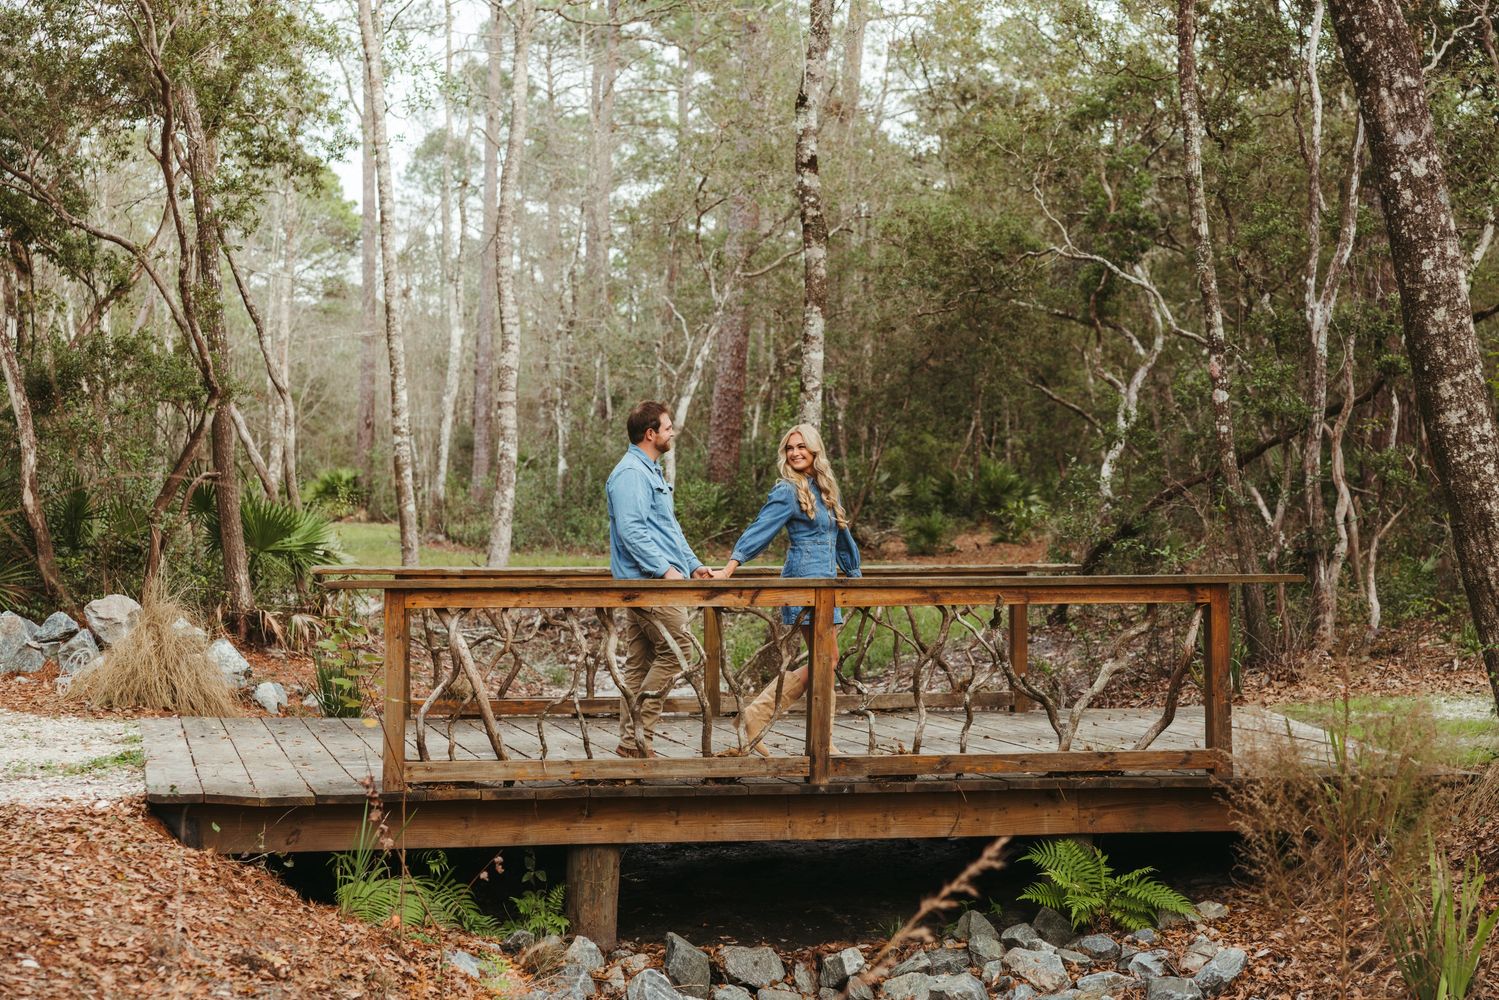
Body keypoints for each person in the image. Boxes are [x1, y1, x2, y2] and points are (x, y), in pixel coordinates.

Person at [717, 423, 861, 754]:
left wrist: (854, 575)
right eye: (789, 448)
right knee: (828, 658)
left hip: (826, 586)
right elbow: (761, 528)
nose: (794, 453)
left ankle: (820, 740)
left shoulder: (824, 488)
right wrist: (731, 565)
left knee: (827, 659)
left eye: (801, 447)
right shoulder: (787, 490)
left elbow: (841, 536)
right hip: (803, 583)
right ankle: (759, 717)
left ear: (815, 451)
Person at [606, 400, 714, 758]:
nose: (672, 433)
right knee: (680, 651)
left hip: (655, 581)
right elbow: (632, 531)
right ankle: (638, 735)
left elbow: (668, 529)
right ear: (650, 434)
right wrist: (665, 569)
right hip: (648, 584)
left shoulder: (651, 472)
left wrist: (693, 564)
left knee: (641, 661)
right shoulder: (631, 474)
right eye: (668, 428)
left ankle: (632, 743)